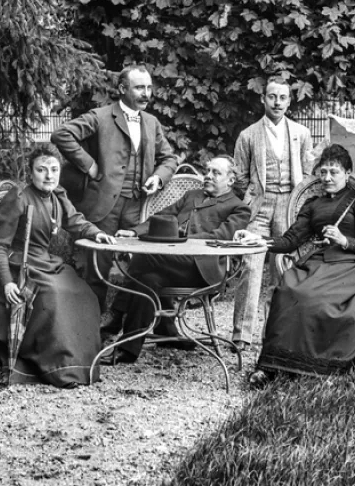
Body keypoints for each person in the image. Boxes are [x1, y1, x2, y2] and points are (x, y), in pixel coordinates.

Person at [233, 144, 355, 385]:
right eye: (323, 172)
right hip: (320, 262)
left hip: (353, 265)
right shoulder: (313, 205)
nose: (328, 177)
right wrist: (259, 239)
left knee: (319, 298)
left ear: (348, 173)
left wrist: (344, 240)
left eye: (334, 172)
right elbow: (291, 240)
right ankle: (271, 365)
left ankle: (327, 364)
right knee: (290, 289)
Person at [0, 144, 117, 388]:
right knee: (54, 296)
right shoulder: (19, 198)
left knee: (84, 293)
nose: (49, 175)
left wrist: (96, 233)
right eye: (41, 170)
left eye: (53, 169)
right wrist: (7, 282)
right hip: (18, 265)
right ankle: (58, 367)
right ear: (31, 173)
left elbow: (75, 221)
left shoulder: (58, 196)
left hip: (44, 261)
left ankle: (79, 363)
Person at [100, 155, 251, 364]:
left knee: (149, 257)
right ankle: (130, 349)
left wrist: (182, 240)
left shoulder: (238, 207)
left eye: (216, 173)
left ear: (231, 180)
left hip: (203, 269)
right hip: (172, 265)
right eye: (207, 171)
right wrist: (134, 232)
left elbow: (220, 236)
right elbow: (162, 217)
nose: (208, 176)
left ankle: (115, 317)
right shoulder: (192, 196)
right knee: (147, 279)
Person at [51, 65, 178, 312]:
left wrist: (158, 178)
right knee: (95, 268)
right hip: (102, 206)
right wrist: (89, 165)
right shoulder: (100, 116)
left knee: (143, 266)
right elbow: (62, 134)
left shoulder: (151, 123)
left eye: (149, 88)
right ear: (122, 89)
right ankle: (89, 330)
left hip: (136, 207)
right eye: (139, 87)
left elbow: (170, 158)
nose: (146, 93)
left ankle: (122, 321)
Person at [231, 76, 314, 351]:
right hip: (260, 207)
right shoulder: (248, 135)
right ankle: (241, 335)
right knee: (250, 266)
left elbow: (308, 172)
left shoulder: (301, 134)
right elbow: (240, 177)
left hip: (289, 206)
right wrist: (255, 196)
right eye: (272, 97)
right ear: (262, 99)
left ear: (289, 101)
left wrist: (297, 204)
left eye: (282, 97)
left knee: (283, 269)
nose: (277, 102)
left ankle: (276, 335)